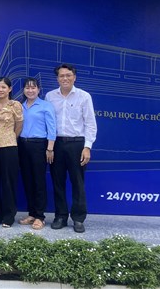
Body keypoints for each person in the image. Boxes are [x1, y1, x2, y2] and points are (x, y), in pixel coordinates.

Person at [45, 63, 97, 233]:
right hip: (57, 144)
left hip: (77, 144)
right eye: (61, 76)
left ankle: (78, 218)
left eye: (68, 75)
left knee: (78, 182)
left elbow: (90, 124)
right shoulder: (50, 96)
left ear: (74, 77)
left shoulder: (84, 96)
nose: (65, 78)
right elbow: (48, 122)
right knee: (57, 181)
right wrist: (49, 147)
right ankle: (60, 216)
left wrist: (87, 147)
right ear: (57, 78)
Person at [17, 77, 56, 230]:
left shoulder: (46, 106)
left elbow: (52, 128)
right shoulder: (20, 106)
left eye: (33, 88)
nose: (30, 90)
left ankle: (40, 216)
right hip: (22, 145)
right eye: (27, 88)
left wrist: (50, 148)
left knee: (39, 181)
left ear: (39, 90)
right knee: (27, 180)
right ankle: (32, 213)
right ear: (23, 90)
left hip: (39, 145)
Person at [0, 77, 23, 228]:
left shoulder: (15, 105)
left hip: (9, 146)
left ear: (9, 89)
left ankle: (9, 216)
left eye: (3, 87)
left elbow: (19, 125)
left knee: (9, 183)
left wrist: (11, 137)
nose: (0, 90)